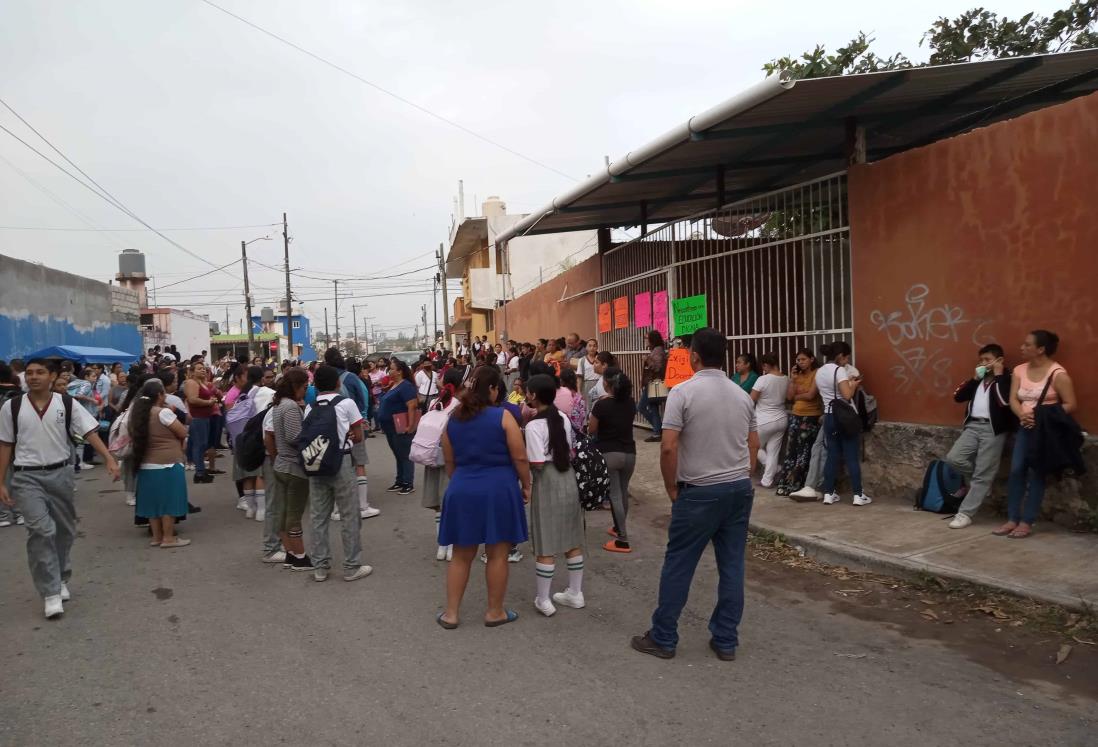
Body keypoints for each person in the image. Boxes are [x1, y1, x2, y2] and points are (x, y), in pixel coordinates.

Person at [631, 328, 758, 661]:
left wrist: (671, 487)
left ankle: (664, 636)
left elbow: (668, 447)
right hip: (738, 488)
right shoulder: (741, 395)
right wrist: (744, 474)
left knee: (679, 564)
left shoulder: (683, 393)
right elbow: (753, 443)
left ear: (695, 356)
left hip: (699, 491)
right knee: (732, 566)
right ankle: (726, 639)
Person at [0, 358, 121, 619]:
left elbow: (89, 432)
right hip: (26, 477)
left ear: (52, 376)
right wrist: (1, 481)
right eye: (29, 373)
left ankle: (61, 577)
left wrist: (110, 458)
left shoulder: (66, 404)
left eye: (40, 372)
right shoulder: (12, 407)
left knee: (64, 531)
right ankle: (50, 592)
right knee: (41, 531)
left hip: (61, 473)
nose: (33, 377)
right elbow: (5, 445)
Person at [436, 366, 530, 628]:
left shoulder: (453, 418)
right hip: (499, 488)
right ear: (491, 389)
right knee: (498, 553)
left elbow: (449, 460)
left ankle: (451, 614)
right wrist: (526, 484)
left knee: (460, 555)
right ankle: (494, 611)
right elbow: (520, 456)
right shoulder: (503, 417)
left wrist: (462, 482)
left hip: (462, 488)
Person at [996, 330, 1077, 539]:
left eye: (1027, 345)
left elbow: (1070, 404)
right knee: (1016, 471)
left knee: (1037, 473)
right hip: (1025, 427)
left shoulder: (1057, 374)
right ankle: (1012, 518)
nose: (1021, 348)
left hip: (1046, 431)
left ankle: (1026, 521)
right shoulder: (1020, 370)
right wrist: (1022, 415)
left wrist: (1042, 415)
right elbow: (1013, 398)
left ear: (1040, 349)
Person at [524, 374, 587, 618]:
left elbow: (537, 462)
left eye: (529, 391)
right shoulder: (562, 417)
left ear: (534, 396)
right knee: (572, 539)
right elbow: (570, 448)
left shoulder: (533, 426)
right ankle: (575, 592)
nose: (526, 395)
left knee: (546, 542)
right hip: (567, 478)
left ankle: (544, 599)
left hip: (547, 481)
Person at [303, 365, 372, 582]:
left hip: (316, 463)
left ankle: (320, 567)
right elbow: (359, 436)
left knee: (318, 516)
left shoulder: (310, 407)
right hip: (341, 461)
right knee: (349, 514)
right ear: (338, 383)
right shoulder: (346, 403)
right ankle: (351, 566)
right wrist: (350, 434)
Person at [940, 345, 1017, 529]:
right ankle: (980, 482)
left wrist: (998, 376)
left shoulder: (1008, 379)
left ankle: (965, 513)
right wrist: (975, 379)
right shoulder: (978, 380)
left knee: (984, 473)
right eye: (981, 360)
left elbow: (1004, 402)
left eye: (988, 360)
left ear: (999, 360)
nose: (983, 363)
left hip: (993, 429)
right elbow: (958, 396)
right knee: (954, 458)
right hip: (973, 426)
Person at [128, 379, 191, 548]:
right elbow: (182, 431)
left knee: (153, 503)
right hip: (168, 462)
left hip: (146, 464)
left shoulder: (137, 413)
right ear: (159, 395)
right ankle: (169, 538)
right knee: (168, 502)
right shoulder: (163, 413)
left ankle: (157, 537)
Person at [263, 367, 313, 570]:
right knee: (293, 514)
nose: (305, 390)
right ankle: (300, 556)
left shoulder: (277, 405)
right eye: (304, 387)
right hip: (293, 466)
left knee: (283, 513)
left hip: (281, 465)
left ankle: (290, 553)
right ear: (296, 387)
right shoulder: (291, 407)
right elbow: (294, 437)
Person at [816, 341, 871, 507]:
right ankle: (857, 495)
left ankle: (828, 493)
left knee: (832, 455)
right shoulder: (839, 371)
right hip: (844, 417)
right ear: (840, 356)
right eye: (846, 357)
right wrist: (853, 385)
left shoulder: (819, 371)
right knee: (851, 456)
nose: (847, 361)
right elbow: (846, 395)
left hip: (829, 416)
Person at [590, 367, 636, 553]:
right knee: (623, 492)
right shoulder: (630, 403)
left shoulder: (601, 406)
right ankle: (618, 528)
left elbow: (592, 429)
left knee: (615, 494)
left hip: (610, 453)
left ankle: (623, 540)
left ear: (607, 385)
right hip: (630, 453)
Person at [422, 368, 464, 562]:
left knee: (438, 503)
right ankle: (452, 544)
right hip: (452, 457)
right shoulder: (459, 405)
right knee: (451, 502)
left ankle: (442, 544)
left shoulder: (434, 403)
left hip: (432, 455)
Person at [775, 349, 823, 497]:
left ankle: (797, 484)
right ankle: (785, 484)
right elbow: (789, 397)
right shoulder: (797, 376)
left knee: (804, 451)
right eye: (798, 360)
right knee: (791, 450)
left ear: (812, 359)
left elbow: (811, 395)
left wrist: (798, 396)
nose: (800, 362)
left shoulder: (817, 374)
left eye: (803, 359)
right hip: (796, 416)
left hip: (810, 417)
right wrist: (793, 379)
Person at [377, 358, 418, 495]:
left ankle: (408, 483)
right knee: (398, 454)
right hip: (389, 427)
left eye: (392, 369)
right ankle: (400, 480)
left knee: (404, 454)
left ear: (400, 371)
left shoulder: (405, 386)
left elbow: (411, 406)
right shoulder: (394, 384)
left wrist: (411, 425)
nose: (390, 371)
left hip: (400, 425)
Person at [750, 353, 789, 488]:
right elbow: (789, 397)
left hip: (764, 420)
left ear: (766, 365)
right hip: (782, 418)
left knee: (751, 445)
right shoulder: (785, 378)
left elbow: (751, 399)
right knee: (773, 450)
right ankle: (767, 480)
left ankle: (775, 469)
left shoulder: (763, 379)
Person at [181, 362, 217, 484]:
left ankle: (200, 470)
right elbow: (192, 399)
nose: (203, 370)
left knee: (202, 444)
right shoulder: (192, 383)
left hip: (205, 417)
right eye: (199, 369)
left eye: (203, 368)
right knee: (199, 444)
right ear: (192, 371)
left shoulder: (202, 382)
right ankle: (199, 472)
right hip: (198, 418)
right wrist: (209, 402)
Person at [0, 362, 24, 527]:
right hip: (20, 441)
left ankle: (3, 515)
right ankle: (20, 513)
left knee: (3, 477)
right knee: (18, 476)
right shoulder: (22, 395)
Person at [638, 330, 667, 443]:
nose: (645, 340)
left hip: (655, 383)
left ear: (652, 339)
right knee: (653, 407)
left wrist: (648, 360)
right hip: (653, 383)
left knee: (641, 406)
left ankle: (658, 429)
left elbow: (658, 368)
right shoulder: (655, 350)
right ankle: (657, 432)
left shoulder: (658, 350)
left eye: (647, 338)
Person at [559, 368, 588, 435]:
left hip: (564, 433)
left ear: (561, 381)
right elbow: (583, 417)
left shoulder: (559, 396)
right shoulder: (580, 398)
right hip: (578, 434)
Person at [576, 339, 601, 409]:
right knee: (588, 407)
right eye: (590, 346)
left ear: (597, 347)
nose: (592, 348)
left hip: (599, 384)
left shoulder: (601, 359)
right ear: (586, 348)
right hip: (587, 386)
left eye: (594, 346)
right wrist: (578, 390)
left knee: (599, 406)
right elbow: (579, 377)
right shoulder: (582, 360)